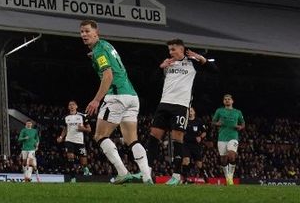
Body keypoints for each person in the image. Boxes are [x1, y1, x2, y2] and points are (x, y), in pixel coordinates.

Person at [79, 20, 152, 184]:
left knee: (100, 135)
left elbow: (108, 76)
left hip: (116, 97)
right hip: (132, 96)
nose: (84, 34)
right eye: (81, 32)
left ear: (96, 32)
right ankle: (147, 176)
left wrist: (96, 100)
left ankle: (122, 172)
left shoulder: (99, 51)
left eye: (87, 31)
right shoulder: (106, 45)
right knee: (132, 139)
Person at [145, 39, 207, 185]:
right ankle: (146, 172)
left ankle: (177, 175)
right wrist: (161, 67)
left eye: (173, 49)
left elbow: (214, 69)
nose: (170, 52)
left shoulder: (192, 63)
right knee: (153, 137)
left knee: (177, 139)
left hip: (181, 105)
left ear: (181, 49)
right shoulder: (168, 63)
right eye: (169, 50)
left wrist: (201, 58)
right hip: (164, 104)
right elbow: (151, 81)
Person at [213, 94, 244, 186]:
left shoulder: (238, 112)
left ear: (232, 101)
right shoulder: (219, 111)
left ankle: (230, 177)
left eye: (229, 99)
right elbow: (213, 122)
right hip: (222, 138)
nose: (227, 100)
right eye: (225, 99)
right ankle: (227, 177)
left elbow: (243, 124)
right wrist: (217, 123)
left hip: (233, 137)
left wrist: (240, 127)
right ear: (223, 101)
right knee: (223, 160)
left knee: (231, 155)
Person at [56, 100, 91, 171]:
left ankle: (85, 171)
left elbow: (89, 129)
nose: (71, 106)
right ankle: (72, 175)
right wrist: (61, 137)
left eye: (73, 104)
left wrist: (83, 128)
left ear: (76, 106)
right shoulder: (66, 117)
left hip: (80, 141)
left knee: (84, 162)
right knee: (70, 157)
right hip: (69, 140)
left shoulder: (82, 116)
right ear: (68, 107)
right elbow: (65, 129)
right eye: (70, 105)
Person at [182, 107, 207, 180]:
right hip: (186, 144)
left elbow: (204, 132)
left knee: (199, 164)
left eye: (191, 111)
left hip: (195, 145)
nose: (190, 112)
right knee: (186, 160)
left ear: (194, 112)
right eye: (188, 111)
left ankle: (205, 175)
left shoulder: (198, 121)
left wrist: (200, 137)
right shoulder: (184, 121)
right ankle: (185, 179)